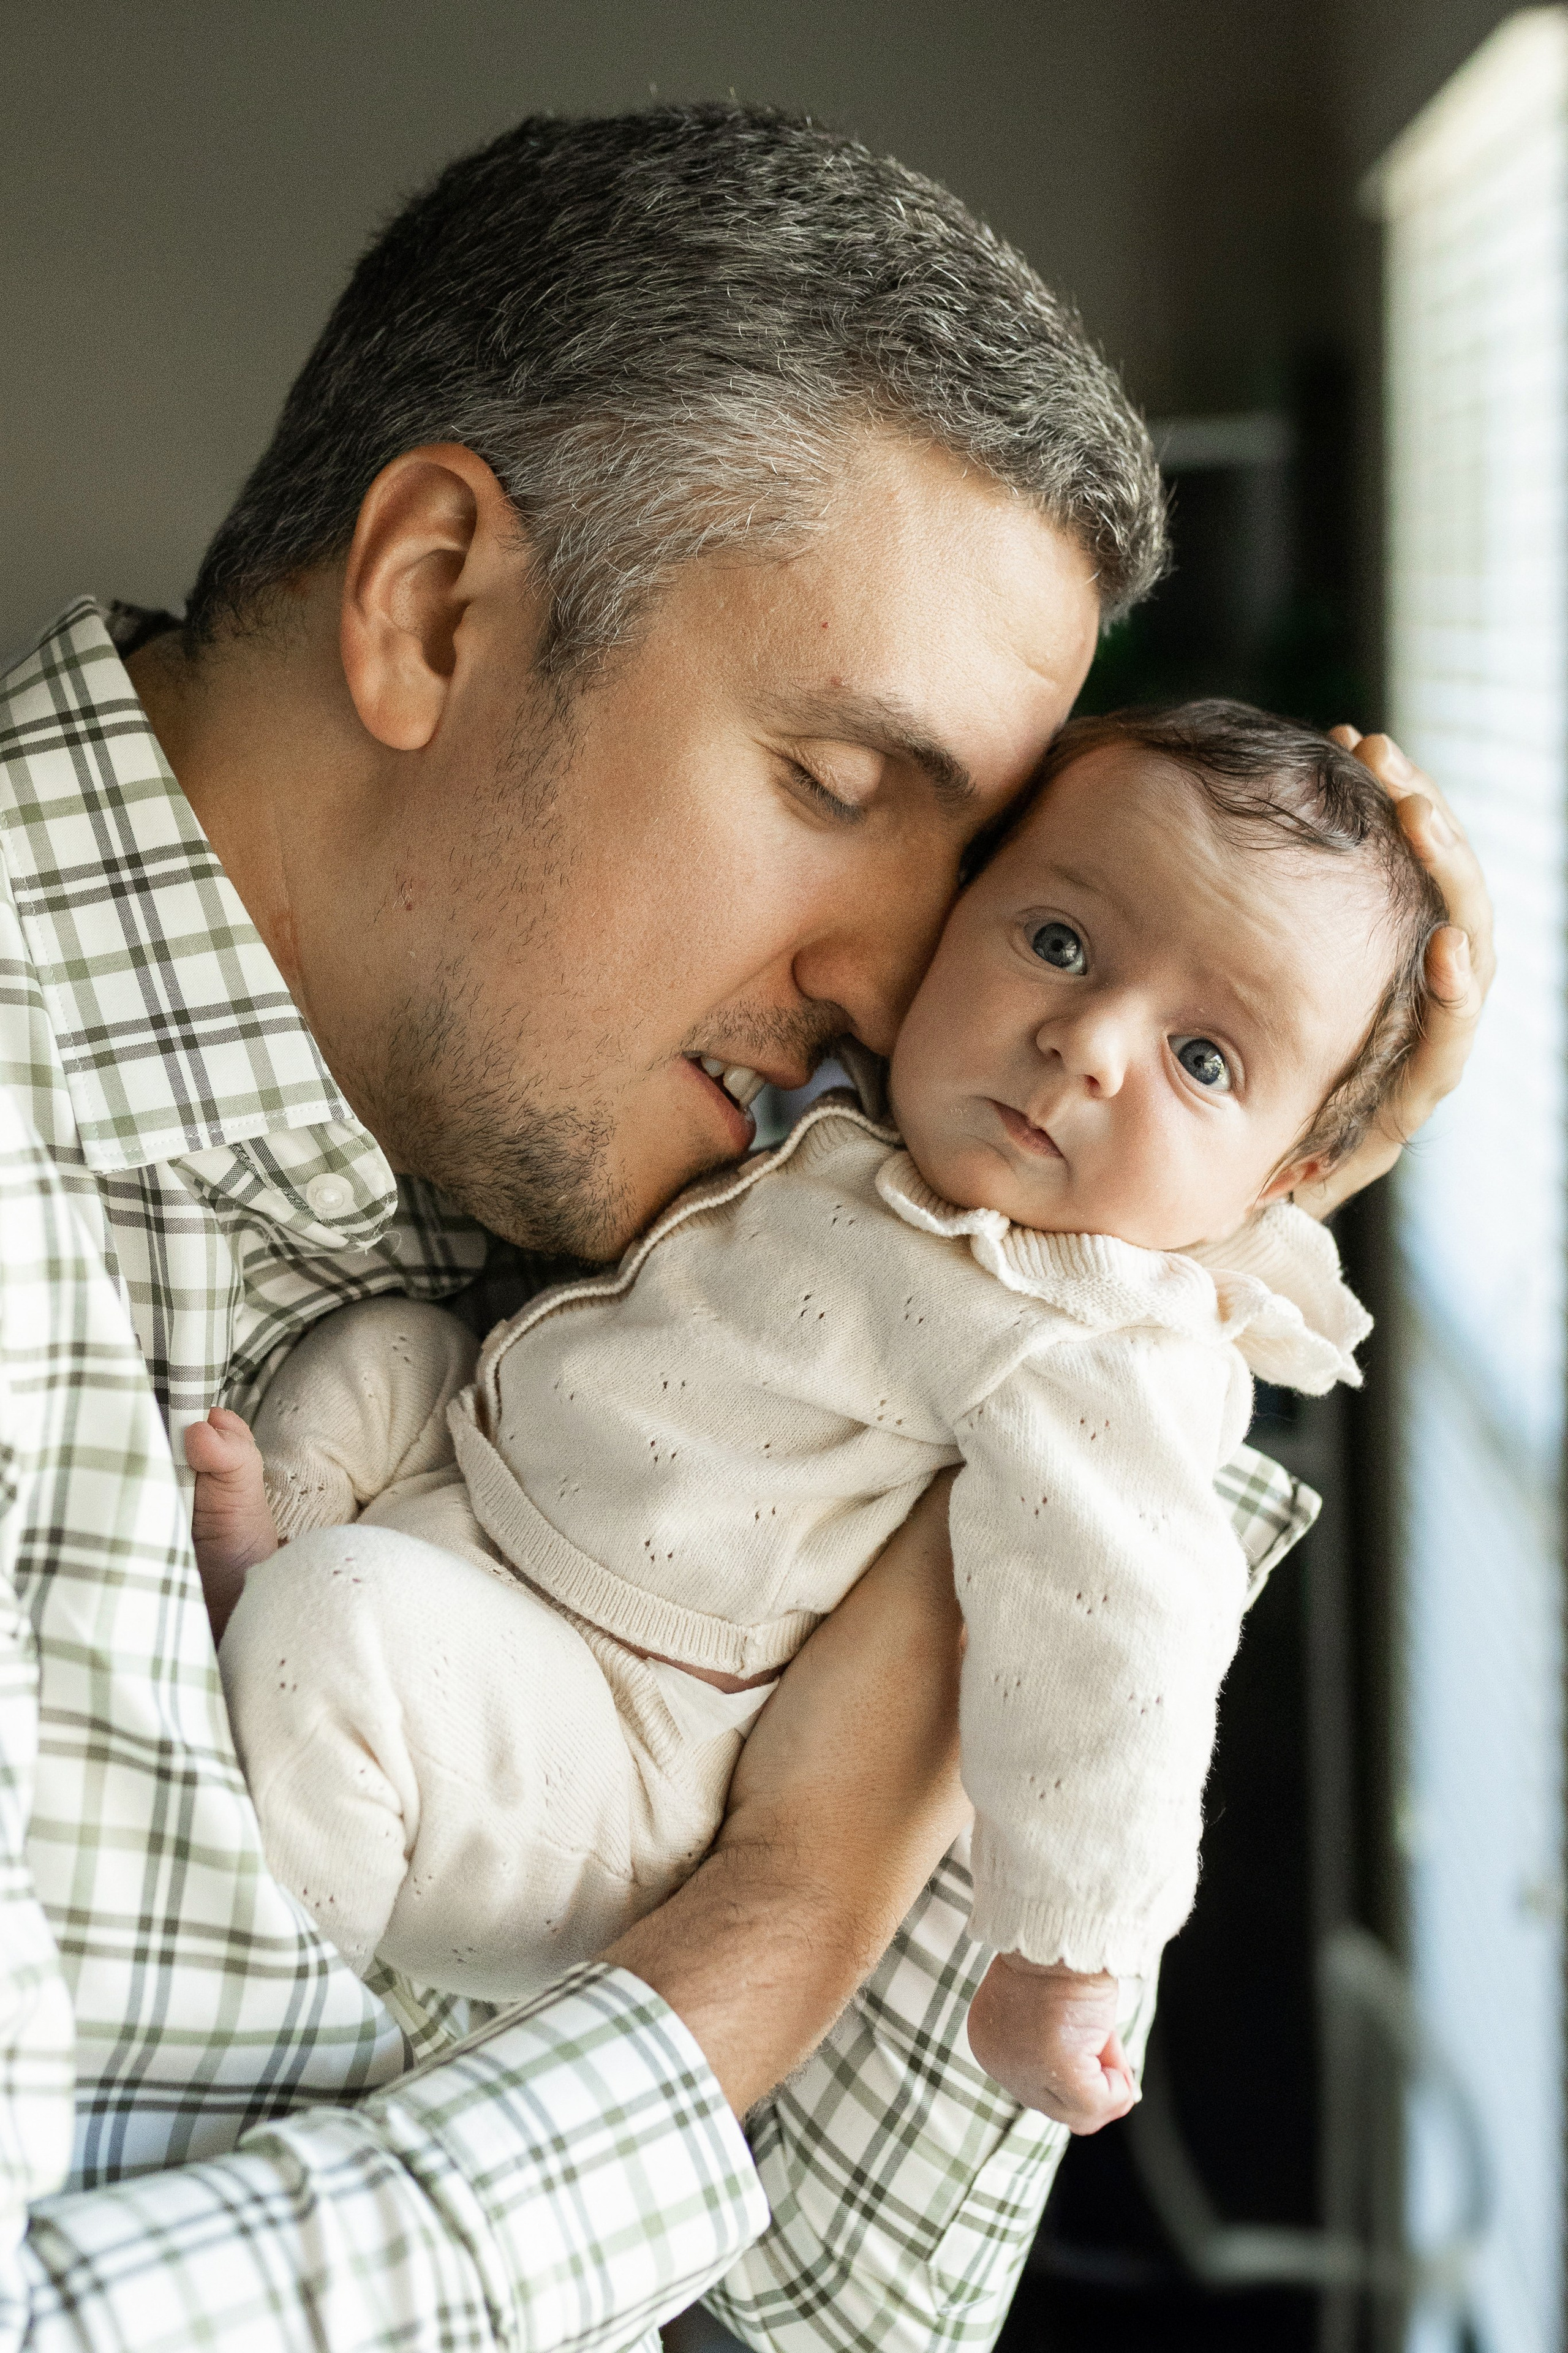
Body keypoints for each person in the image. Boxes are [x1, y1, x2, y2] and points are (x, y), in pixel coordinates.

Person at [0, 104, 1489, 2353]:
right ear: (435, 606)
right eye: (839, 786)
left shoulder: (582, 1159)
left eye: (979, 882)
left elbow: (819, 2292)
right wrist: (775, 1920)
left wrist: (1164, 1259)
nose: (904, 992)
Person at [189, 701, 1427, 2137]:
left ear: (1280, 1182)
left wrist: (1069, 1947)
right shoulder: (900, 1119)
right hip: (480, 1494)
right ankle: (274, 1588)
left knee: (342, 1619)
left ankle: (256, 2059)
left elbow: (1120, 1619)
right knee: (384, 1350)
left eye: (1202, 1060)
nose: (1086, 1041)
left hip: (612, 1742)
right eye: (1055, 940)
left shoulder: (1094, 1338)